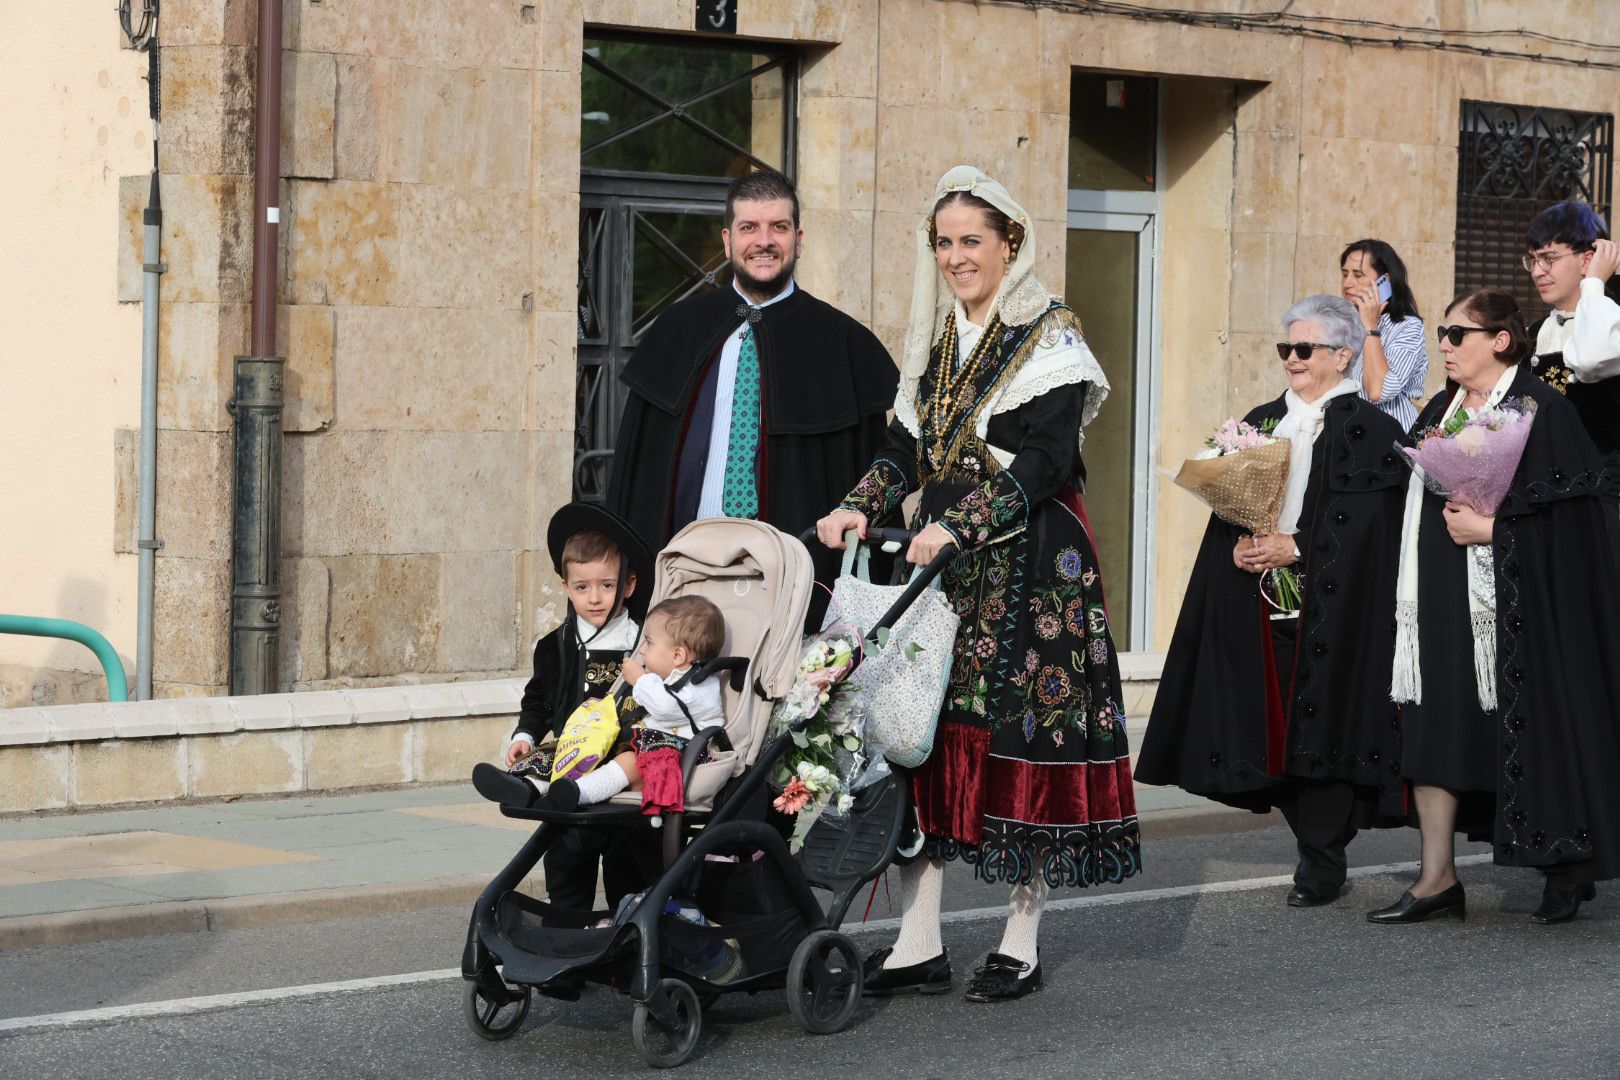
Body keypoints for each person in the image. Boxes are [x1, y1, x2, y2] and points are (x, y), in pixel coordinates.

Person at [815, 166, 1139, 1004]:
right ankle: (918, 943)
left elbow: (1048, 460)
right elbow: (904, 450)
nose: (957, 257)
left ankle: (1019, 940)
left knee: (1018, 743)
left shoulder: (1050, 333)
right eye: (944, 243)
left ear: (1009, 244)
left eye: (972, 241)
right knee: (917, 734)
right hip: (940, 563)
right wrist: (857, 506)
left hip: (1032, 564)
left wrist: (961, 521)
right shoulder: (934, 339)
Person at [1135, 295, 1409, 908]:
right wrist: (1236, 547)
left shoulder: (1374, 431)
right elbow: (1232, 509)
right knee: (1273, 725)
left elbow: (1376, 527)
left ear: (1343, 356)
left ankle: (1322, 859)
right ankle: (1318, 846)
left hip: (1339, 608)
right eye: (1286, 347)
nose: (1292, 358)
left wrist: (1301, 546)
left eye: (1305, 348)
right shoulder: (1259, 422)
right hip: (1262, 603)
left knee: (1327, 722)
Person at [1369, 289, 1620, 926]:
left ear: (1500, 341)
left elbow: (1579, 526)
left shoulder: (1543, 410)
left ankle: (1564, 865)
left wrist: (1496, 530)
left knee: (1536, 725)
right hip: (1438, 599)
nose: (1444, 345)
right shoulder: (1441, 407)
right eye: (1442, 334)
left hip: (1522, 606)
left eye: (1457, 334)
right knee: (1432, 723)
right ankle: (1436, 879)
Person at [606, 169, 897, 556]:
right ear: (728, 242)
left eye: (779, 227)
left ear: (798, 240)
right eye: (749, 228)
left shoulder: (844, 343)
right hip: (684, 561)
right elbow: (634, 477)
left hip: (792, 569)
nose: (764, 241)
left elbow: (869, 485)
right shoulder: (676, 329)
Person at [470, 502, 655, 980]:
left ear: (628, 585)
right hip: (569, 767)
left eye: (606, 586)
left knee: (627, 867)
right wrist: (524, 735)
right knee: (568, 860)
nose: (594, 598)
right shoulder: (554, 646)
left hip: (621, 770)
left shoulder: (644, 644)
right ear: (566, 586)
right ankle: (563, 948)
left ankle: (627, 949)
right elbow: (538, 699)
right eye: (582, 587)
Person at [1522, 200, 1620, 474]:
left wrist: (1594, 283)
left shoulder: (1613, 320)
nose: (1537, 271)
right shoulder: (1536, 332)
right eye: (1533, 260)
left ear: (1587, 260)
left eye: (1549, 258)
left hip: (1603, 485)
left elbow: (1590, 359)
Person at [1340, 239, 1429, 432]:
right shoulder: (1341, 326)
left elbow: (1378, 391)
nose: (1347, 283)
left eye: (1358, 275)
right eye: (1345, 274)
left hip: (1389, 433)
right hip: (1347, 430)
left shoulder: (1407, 327)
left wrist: (1370, 326)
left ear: (1384, 281)